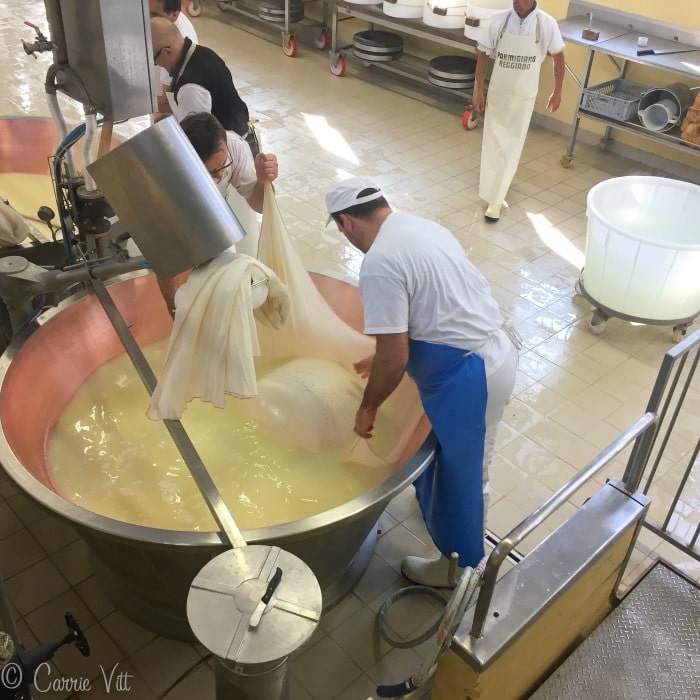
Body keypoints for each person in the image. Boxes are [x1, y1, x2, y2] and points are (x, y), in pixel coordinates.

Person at [326, 176, 518, 587]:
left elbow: (396, 358)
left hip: (471, 377)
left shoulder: (378, 263)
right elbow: (435, 308)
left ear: (347, 222)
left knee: (466, 476)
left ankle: (462, 569)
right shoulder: (422, 228)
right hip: (488, 351)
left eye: (341, 231)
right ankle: (445, 527)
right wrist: (380, 356)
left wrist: (368, 406)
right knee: (453, 462)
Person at [157, 112, 278, 315]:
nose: (220, 175)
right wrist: (174, 312)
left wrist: (264, 181)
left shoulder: (234, 146)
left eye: (222, 166)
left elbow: (261, 206)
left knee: (232, 290)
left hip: (215, 217)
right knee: (176, 293)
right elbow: (163, 258)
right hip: (173, 215)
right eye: (210, 172)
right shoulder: (164, 165)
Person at [473, 0, 565, 222]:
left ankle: (495, 201)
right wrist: (478, 91)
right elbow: (483, 55)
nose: (516, 3)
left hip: (524, 97)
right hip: (498, 94)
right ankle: (491, 191)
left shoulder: (546, 24)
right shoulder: (500, 21)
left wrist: (558, 91)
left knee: (512, 145)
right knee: (493, 143)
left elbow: (559, 58)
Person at [150, 18, 259, 156]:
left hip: (228, 156)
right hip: (239, 138)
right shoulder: (202, 53)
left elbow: (195, 145)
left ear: (168, 52)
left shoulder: (190, 87)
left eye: (155, 60)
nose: (159, 65)